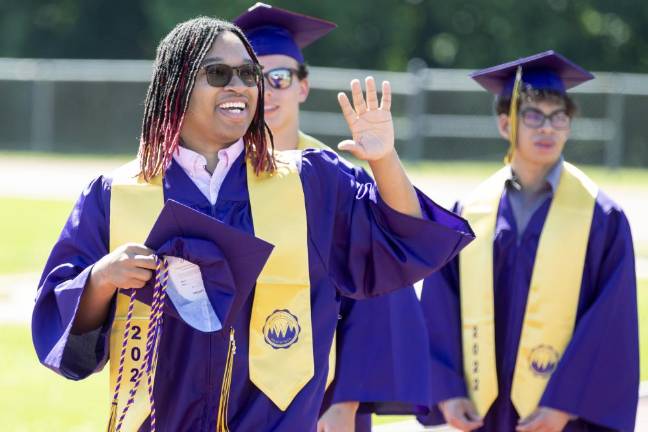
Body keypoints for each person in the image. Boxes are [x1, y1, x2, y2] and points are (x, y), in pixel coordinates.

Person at [32, 16, 474, 431]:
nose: (241, 86)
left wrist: (383, 160)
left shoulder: (309, 182)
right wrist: (101, 279)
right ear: (176, 87)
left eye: (249, 74)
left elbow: (403, 235)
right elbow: (61, 322)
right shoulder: (115, 195)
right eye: (219, 74)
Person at [234, 4, 434, 432]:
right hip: (232, 394)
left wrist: (346, 402)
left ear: (303, 87)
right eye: (253, 77)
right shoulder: (218, 177)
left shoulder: (332, 176)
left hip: (321, 400)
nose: (267, 91)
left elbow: (379, 280)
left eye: (280, 79)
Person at [417, 51, 639, 432]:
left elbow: (610, 322)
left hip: (562, 418)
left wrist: (565, 404)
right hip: (483, 413)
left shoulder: (601, 218)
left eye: (559, 117)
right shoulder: (471, 211)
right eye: (533, 116)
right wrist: (448, 390)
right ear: (506, 124)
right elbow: (440, 307)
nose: (547, 128)